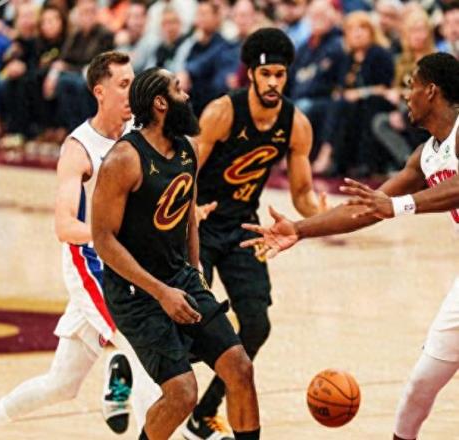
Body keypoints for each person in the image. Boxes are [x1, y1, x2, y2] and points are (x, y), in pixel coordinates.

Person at [240, 52, 459, 440]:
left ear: (431, 91)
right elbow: (367, 208)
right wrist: (299, 229)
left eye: (411, 86)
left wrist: (399, 206)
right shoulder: (426, 155)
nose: (405, 95)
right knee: (421, 384)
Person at [0, 51, 159, 440]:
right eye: (124, 85)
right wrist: (112, 234)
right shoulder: (79, 148)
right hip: (92, 265)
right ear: (100, 92)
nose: (132, 91)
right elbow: (65, 226)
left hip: (129, 262)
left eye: (134, 82)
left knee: (62, 383)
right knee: (145, 348)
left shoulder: (139, 133)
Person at [92, 66, 261, 440]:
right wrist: (160, 292)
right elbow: (103, 240)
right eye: (178, 89)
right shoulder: (124, 159)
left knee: (240, 368)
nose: (187, 95)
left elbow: (189, 218)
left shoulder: (187, 149)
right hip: (136, 293)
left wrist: (195, 271)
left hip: (179, 278)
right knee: (182, 393)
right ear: (160, 102)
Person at [183, 28, 327, 440]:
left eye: (279, 75)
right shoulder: (221, 113)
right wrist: (188, 209)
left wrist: (319, 214)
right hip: (200, 225)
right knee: (194, 322)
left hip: (245, 227)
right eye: (266, 75)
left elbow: (301, 193)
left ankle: (204, 413)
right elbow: (184, 171)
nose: (273, 83)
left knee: (256, 326)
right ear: (251, 74)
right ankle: (148, 380)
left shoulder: (296, 125)